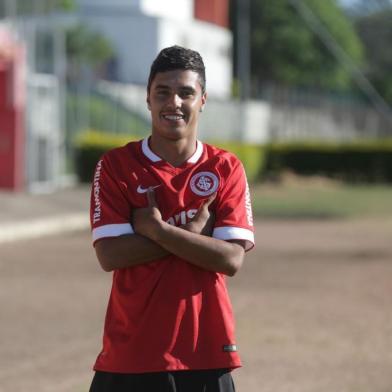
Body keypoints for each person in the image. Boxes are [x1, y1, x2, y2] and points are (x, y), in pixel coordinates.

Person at [89, 45, 255, 392]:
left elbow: (230, 258)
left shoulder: (225, 168)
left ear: (203, 100)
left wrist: (158, 230)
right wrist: (192, 233)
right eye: (162, 92)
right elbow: (111, 255)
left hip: (206, 353)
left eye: (186, 93)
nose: (173, 103)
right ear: (148, 99)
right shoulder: (117, 166)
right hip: (130, 354)